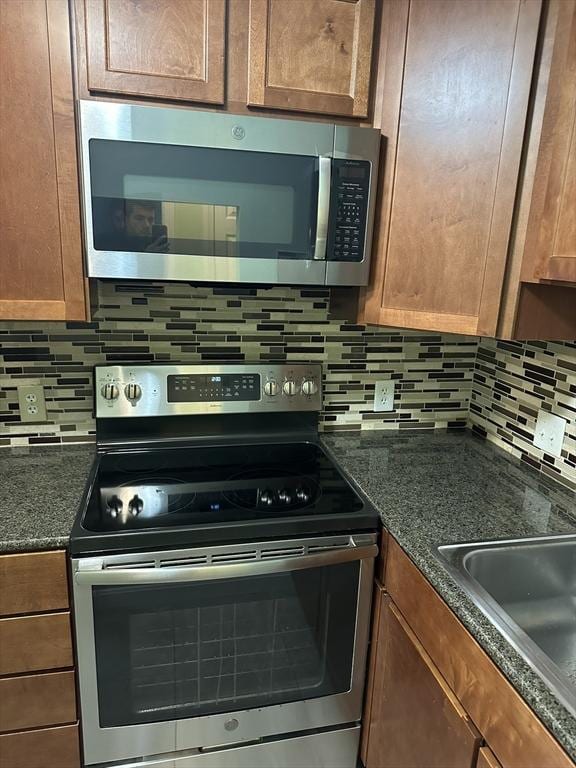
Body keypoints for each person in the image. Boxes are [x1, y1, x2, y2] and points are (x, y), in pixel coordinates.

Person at [96, 199, 168, 252]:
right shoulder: (107, 245)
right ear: (123, 220)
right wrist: (145, 256)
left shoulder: (153, 243)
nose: (147, 225)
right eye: (139, 218)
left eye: (150, 220)